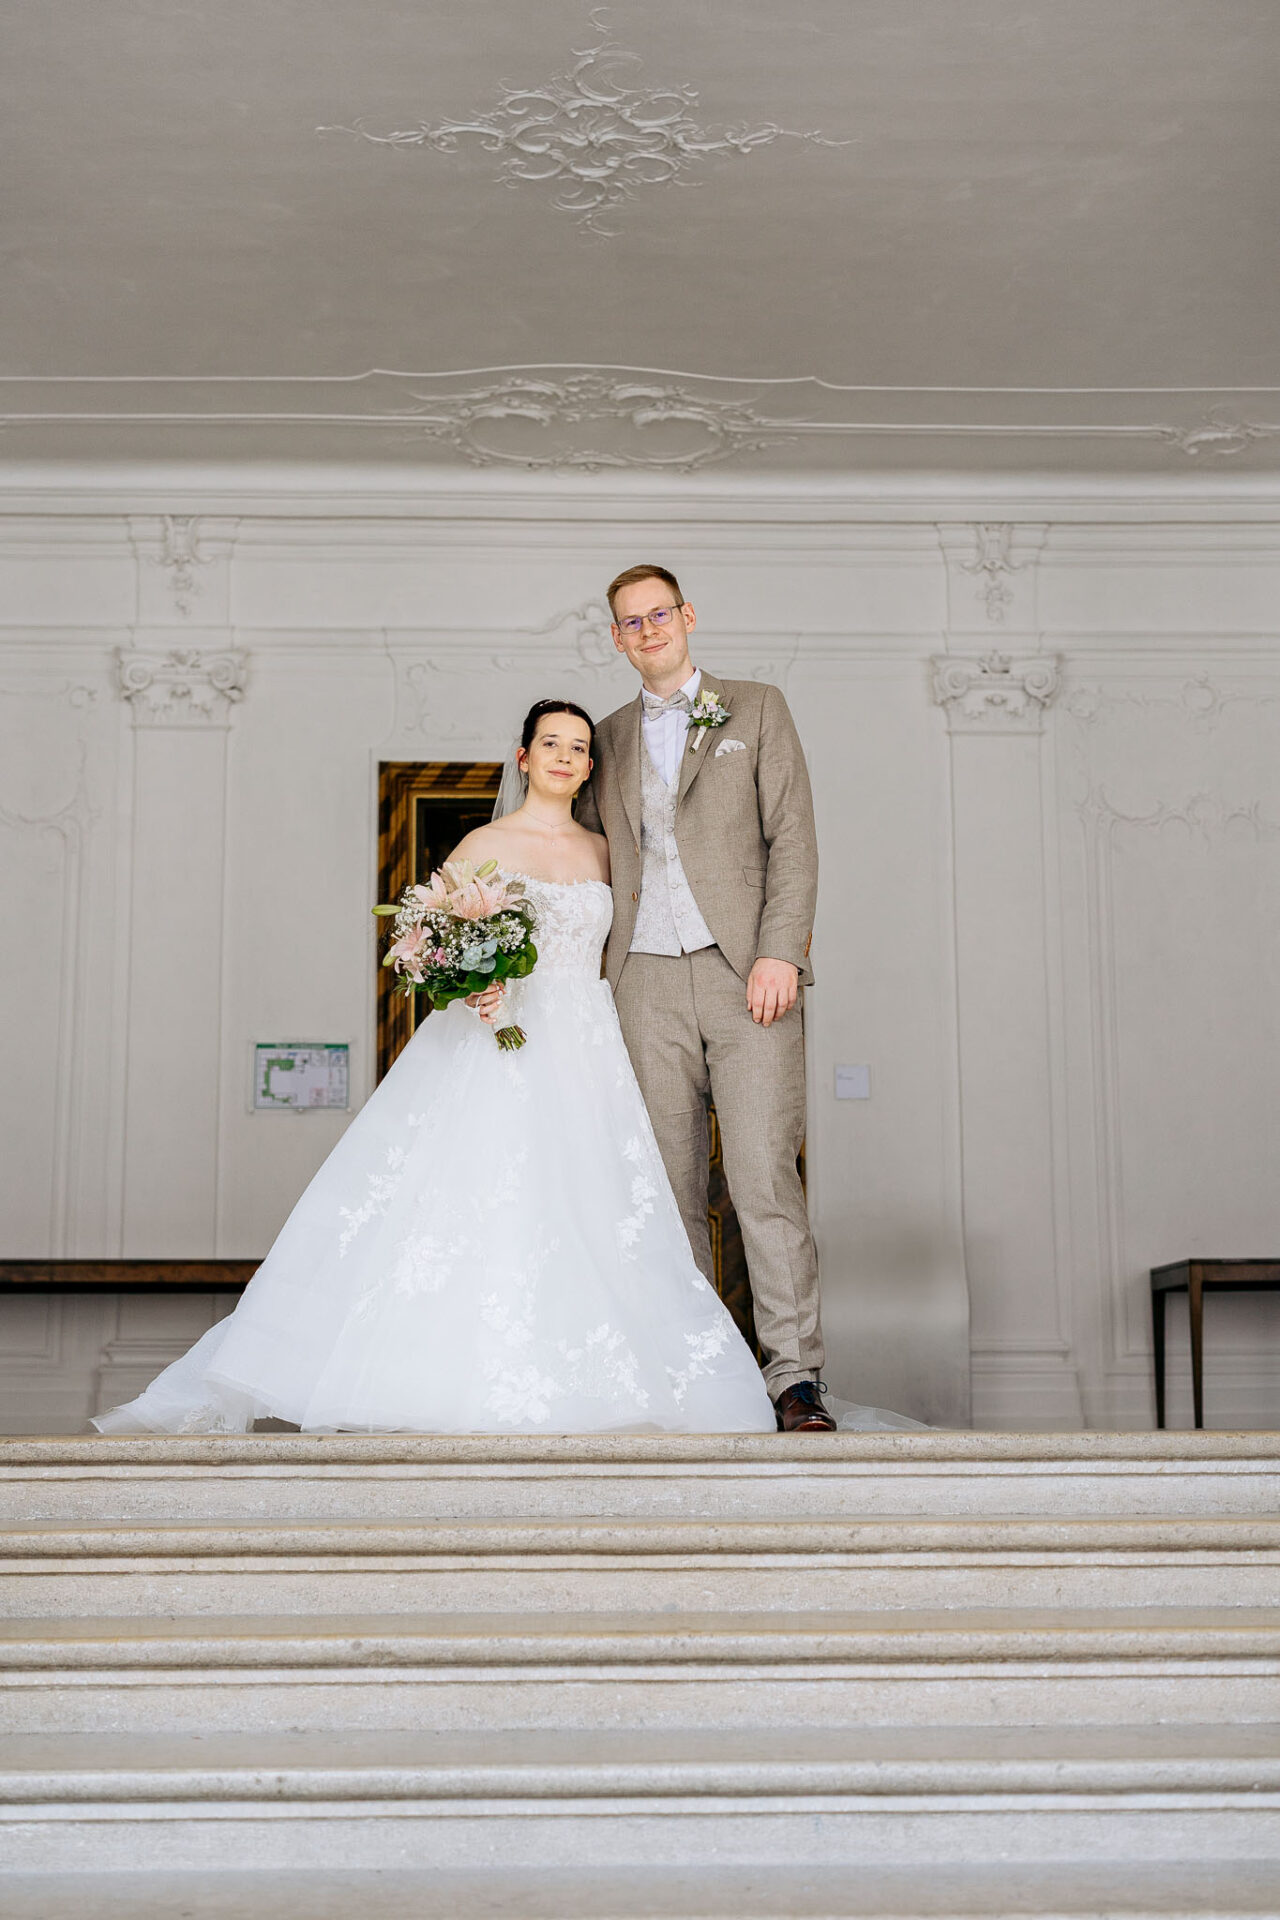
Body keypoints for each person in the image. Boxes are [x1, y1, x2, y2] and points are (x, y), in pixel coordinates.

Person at [92, 699, 777, 1436]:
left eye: (579, 747)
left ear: (588, 767)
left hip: (590, 1047)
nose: (566, 756)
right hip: (499, 1037)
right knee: (482, 1197)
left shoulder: (607, 851)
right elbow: (426, 943)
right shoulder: (486, 841)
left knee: (594, 1204)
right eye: (551, 743)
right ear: (523, 757)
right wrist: (469, 980)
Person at [576, 564, 834, 1433]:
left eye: (659, 614)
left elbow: (792, 840)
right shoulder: (604, 737)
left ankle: (795, 1379)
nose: (647, 630)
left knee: (764, 1179)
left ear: (687, 616)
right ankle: (696, 1376)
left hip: (744, 974)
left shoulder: (755, 708)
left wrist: (779, 955)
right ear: (615, 637)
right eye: (629, 622)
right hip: (641, 979)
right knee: (665, 1189)